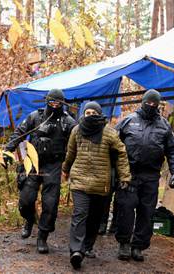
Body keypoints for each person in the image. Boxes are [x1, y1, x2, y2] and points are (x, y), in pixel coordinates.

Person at [4, 89, 76, 253]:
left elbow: (79, 137)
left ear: (63, 103)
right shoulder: (35, 116)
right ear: (47, 101)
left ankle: (42, 237)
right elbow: (19, 133)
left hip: (54, 165)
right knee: (26, 201)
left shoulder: (68, 121)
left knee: (50, 205)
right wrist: (8, 151)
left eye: (58, 101)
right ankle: (29, 220)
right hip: (33, 164)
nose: (55, 104)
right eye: (52, 101)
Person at [62, 101, 131, 270]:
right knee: (80, 214)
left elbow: (121, 154)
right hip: (80, 181)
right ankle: (76, 251)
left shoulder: (109, 133)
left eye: (94, 113)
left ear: (99, 114)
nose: (90, 115)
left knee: (94, 218)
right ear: (83, 115)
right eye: (88, 113)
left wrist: (124, 176)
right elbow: (71, 152)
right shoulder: (77, 131)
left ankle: (87, 247)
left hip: (101, 184)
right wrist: (65, 169)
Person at [114, 89, 174, 262]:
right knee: (126, 209)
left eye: (154, 104)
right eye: (148, 102)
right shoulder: (128, 120)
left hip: (151, 176)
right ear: (142, 102)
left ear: (158, 105)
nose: (151, 106)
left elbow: (173, 150)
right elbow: (113, 144)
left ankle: (138, 246)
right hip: (129, 174)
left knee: (146, 212)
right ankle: (124, 243)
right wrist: (113, 170)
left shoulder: (164, 125)